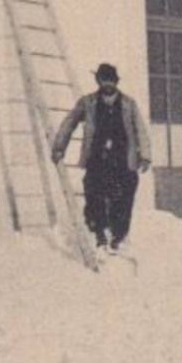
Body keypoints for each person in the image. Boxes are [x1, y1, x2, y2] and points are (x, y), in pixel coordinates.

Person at [50, 62, 151, 252]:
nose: (107, 84)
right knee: (94, 193)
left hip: (123, 159)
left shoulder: (129, 104)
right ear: (98, 81)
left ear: (116, 82)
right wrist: (59, 147)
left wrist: (145, 156)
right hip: (97, 157)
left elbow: (141, 130)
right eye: (104, 80)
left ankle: (118, 236)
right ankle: (99, 233)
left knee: (124, 197)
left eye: (111, 81)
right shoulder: (88, 102)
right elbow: (68, 123)